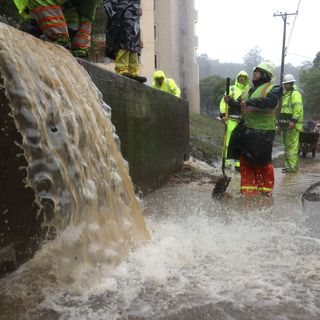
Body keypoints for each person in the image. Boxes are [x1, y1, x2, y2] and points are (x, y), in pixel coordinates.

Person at [227, 61, 283, 196]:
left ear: (265, 74)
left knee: (262, 163)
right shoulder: (248, 90)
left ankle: (265, 192)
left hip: (263, 132)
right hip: (247, 130)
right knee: (246, 162)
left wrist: (249, 101)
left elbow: (271, 102)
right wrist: (232, 102)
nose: (254, 73)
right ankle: (248, 192)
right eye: (254, 71)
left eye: (257, 71)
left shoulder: (274, 88)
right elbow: (242, 107)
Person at [13, 0, 98, 58]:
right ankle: (65, 44)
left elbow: (86, 17)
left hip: (64, 19)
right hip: (48, 14)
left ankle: (61, 41)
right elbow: (87, 16)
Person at [103, 0, 146, 83]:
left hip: (132, 20)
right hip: (123, 18)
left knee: (133, 49)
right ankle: (122, 70)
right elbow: (110, 5)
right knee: (124, 45)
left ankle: (133, 72)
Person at [219, 70, 250, 172]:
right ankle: (226, 165)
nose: (242, 78)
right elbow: (223, 102)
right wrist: (223, 115)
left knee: (240, 144)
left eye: (244, 77)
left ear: (246, 79)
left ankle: (238, 165)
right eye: (240, 76)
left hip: (242, 121)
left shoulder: (248, 90)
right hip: (231, 119)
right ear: (237, 78)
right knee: (228, 142)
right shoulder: (231, 88)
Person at [279, 74, 304, 173]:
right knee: (287, 146)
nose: (284, 86)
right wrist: (280, 125)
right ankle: (288, 167)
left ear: (290, 83)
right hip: (286, 125)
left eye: (286, 84)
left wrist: (293, 121)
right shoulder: (286, 95)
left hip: (293, 125)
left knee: (292, 148)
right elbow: (283, 111)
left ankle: (292, 168)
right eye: (284, 84)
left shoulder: (295, 94)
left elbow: (298, 109)